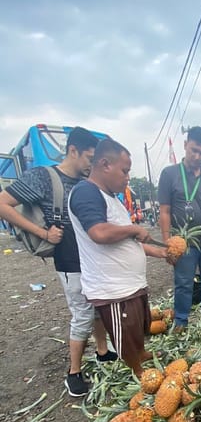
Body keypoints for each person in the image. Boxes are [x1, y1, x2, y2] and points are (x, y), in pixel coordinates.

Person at [0, 127, 117, 397]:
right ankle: (73, 372)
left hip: (93, 258)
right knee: (82, 314)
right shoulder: (43, 177)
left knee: (98, 306)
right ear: (73, 150)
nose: (92, 164)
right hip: (69, 259)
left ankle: (102, 352)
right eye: (89, 157)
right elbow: (3, 203)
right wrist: (43, 233)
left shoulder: (87, 181)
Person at [68, 138, 167, 378]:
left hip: (130, 286)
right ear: (104, 164)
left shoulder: (111, 198)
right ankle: (138, 373)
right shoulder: (86, 192)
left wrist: (161, 252)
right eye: (125, 171)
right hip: (113, 289)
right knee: (125, 334)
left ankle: (141, 355)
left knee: (136, 330)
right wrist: (133, 229)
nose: (127, 177)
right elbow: (99, 233)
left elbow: (128, 245)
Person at [158, 126, 201, 331]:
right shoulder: (169, 174)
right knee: (183, 282)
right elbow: (165, 211)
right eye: (194, 150)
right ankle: (181, 320)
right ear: (185, 145)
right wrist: (167, 243)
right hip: (184, 242)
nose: (197, 156)